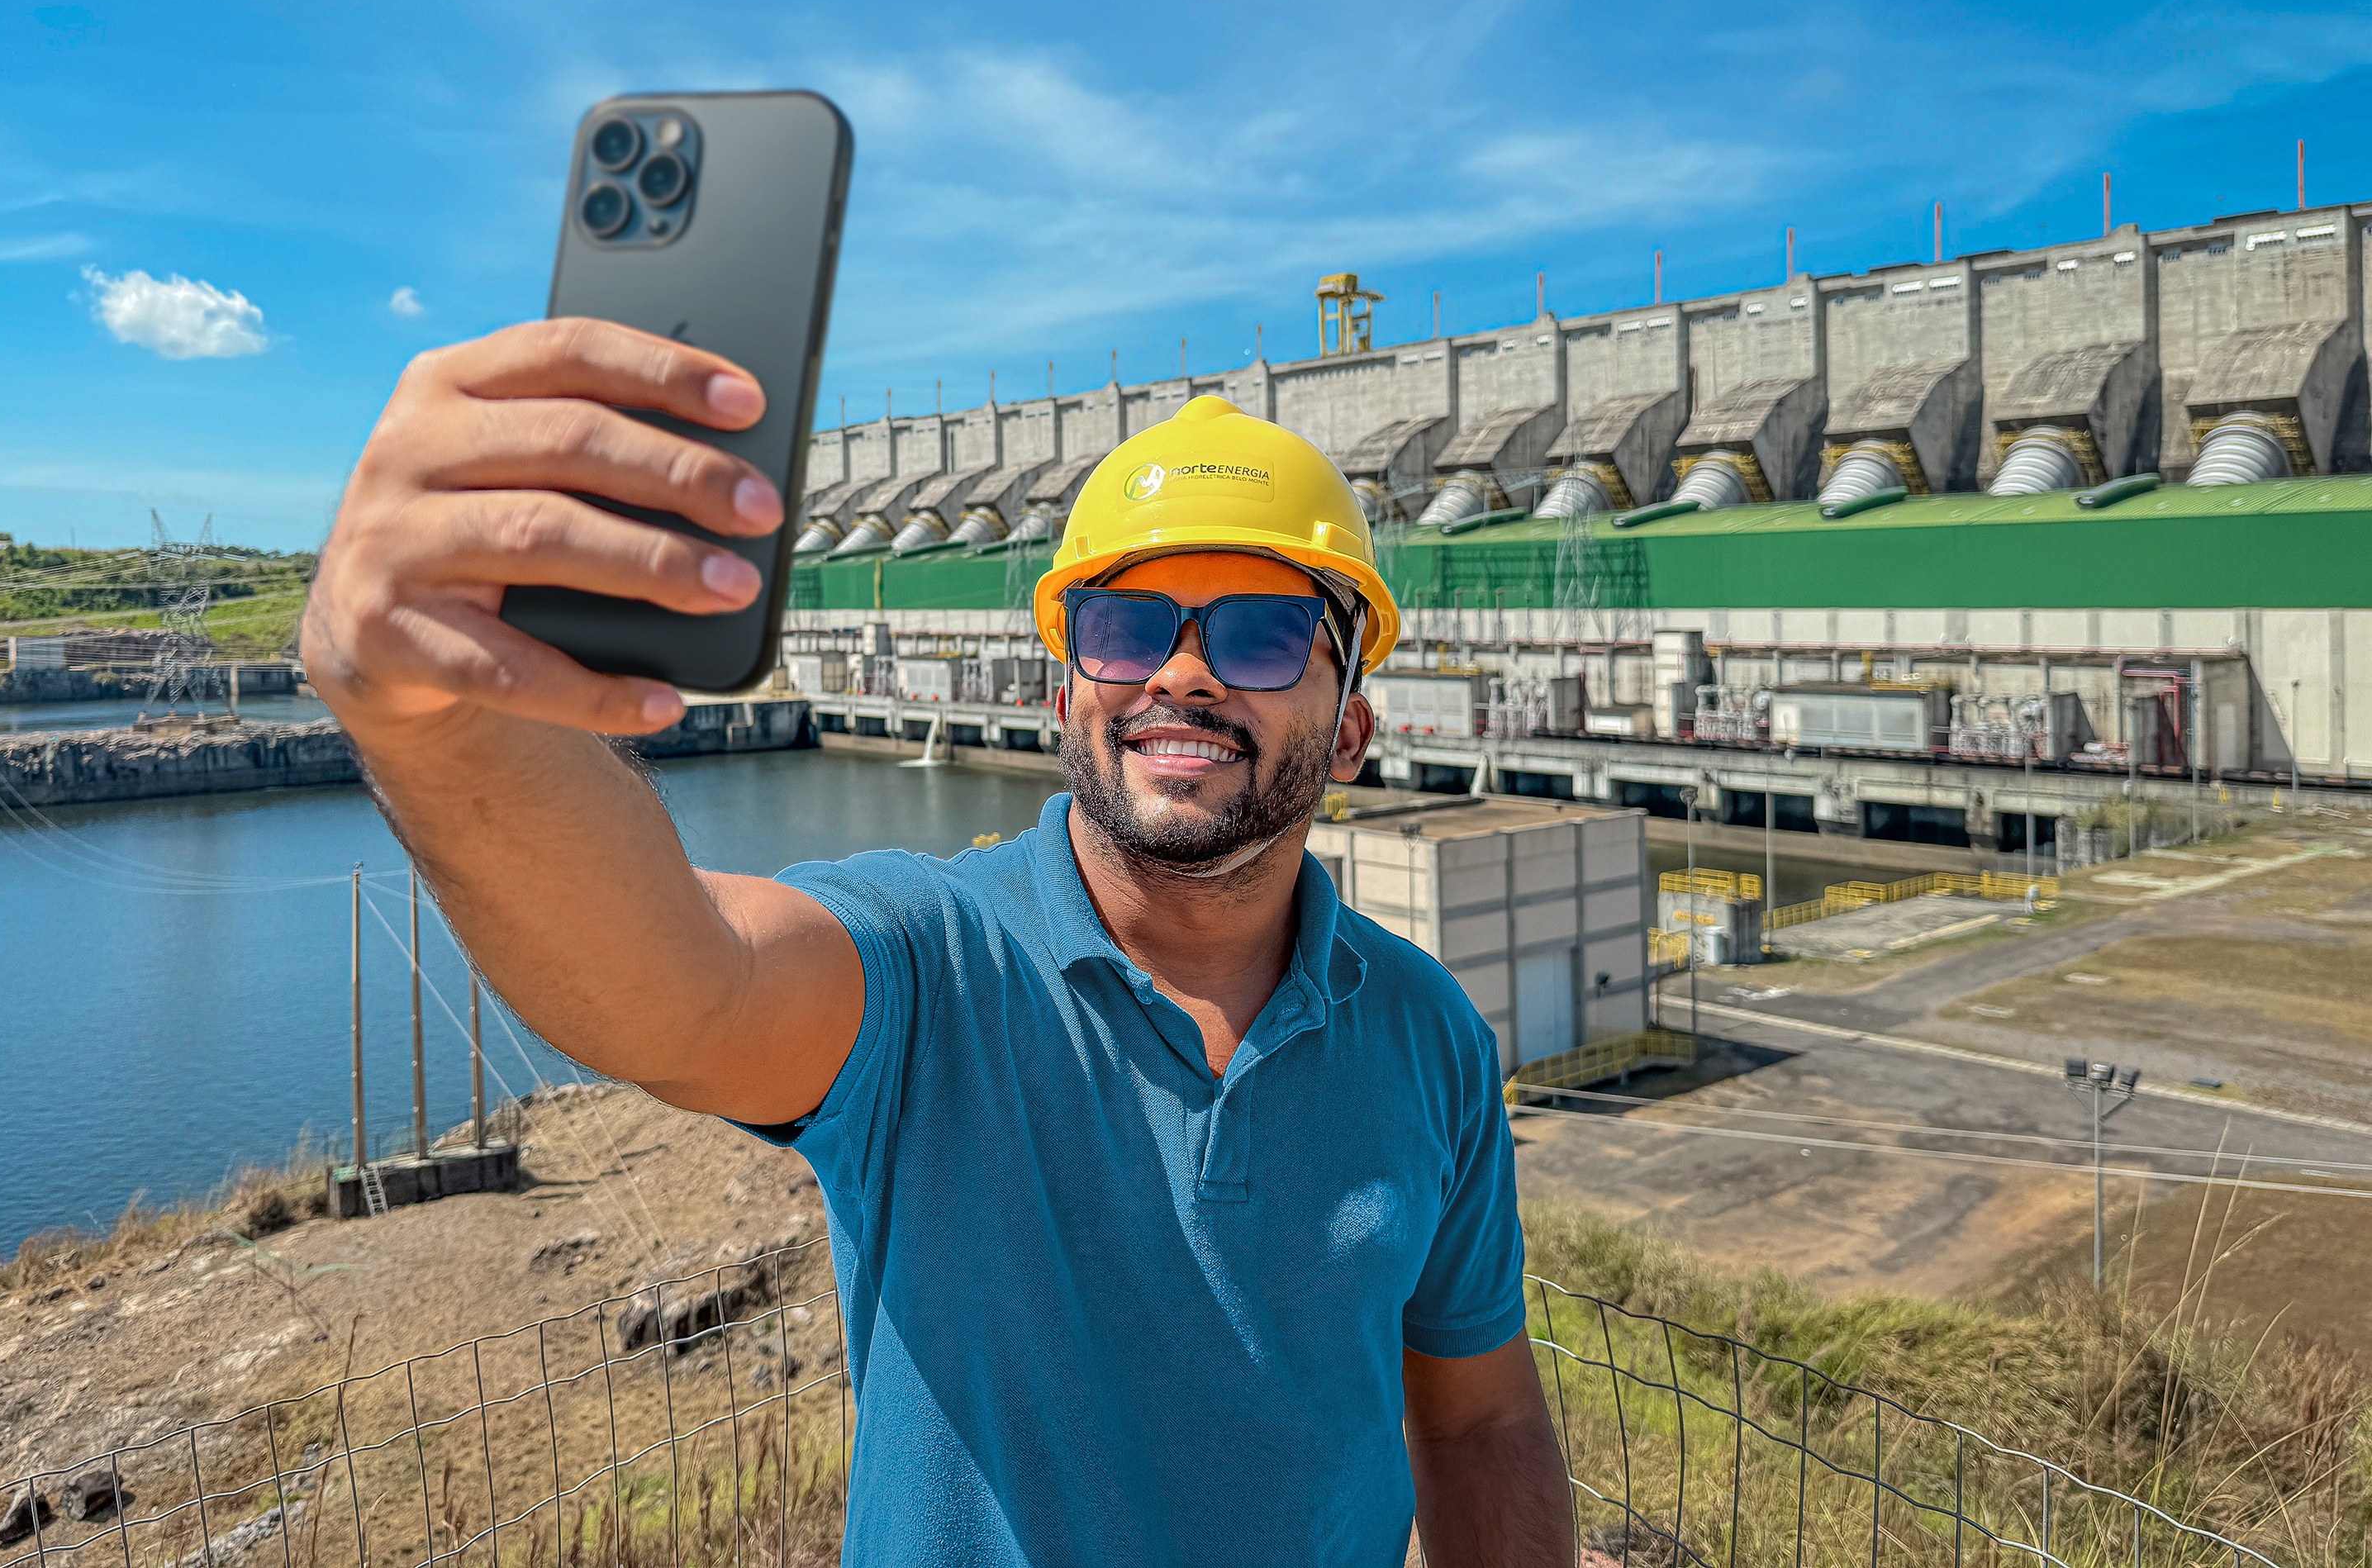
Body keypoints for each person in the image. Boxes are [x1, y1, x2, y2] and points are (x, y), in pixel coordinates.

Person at [302, 320, 1571, 1567]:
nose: (1179, 676)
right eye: (1126, 628)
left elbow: (1481, 1414)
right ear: (1060, 694)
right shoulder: (937, 965)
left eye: (1257, 632)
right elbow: (687, 989)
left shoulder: (1425, 1034)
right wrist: (436, 722)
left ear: (1349, 728)